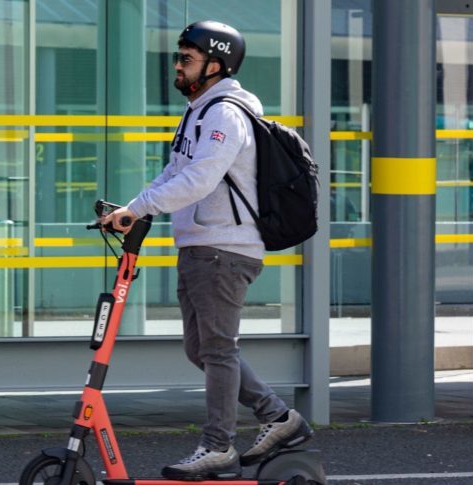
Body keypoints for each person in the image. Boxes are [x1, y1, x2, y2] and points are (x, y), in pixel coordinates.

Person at [100, 21, 313, 480]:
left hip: (224, 249)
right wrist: (132, 209)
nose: (177, 67)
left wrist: (140, 210)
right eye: (178, 58)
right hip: (201, 246)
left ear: (215, 65)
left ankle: (218, 447)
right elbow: (174, 172)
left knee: (218, 350)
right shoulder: (198, 110)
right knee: (203, 349)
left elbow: (201, 179)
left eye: (186, 59)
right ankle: (279, 418)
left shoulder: (224, 114)